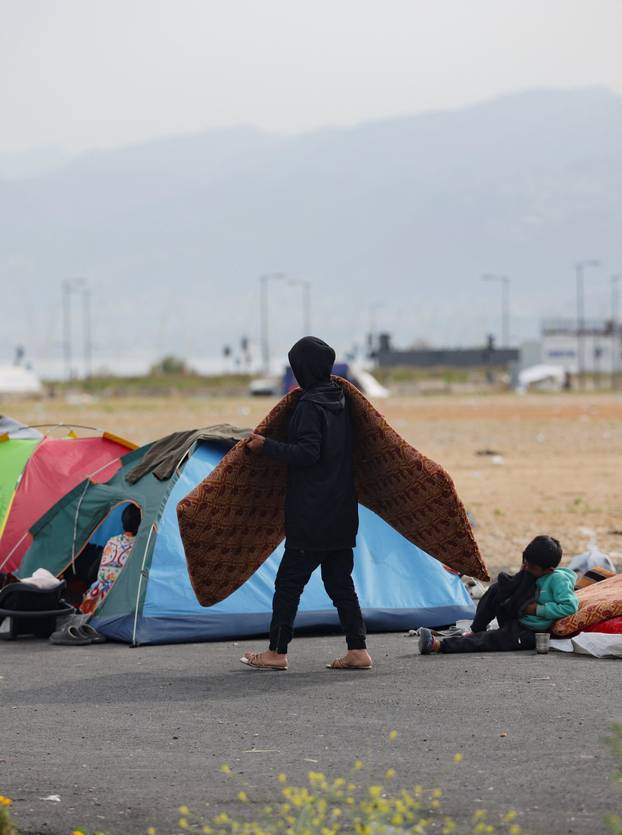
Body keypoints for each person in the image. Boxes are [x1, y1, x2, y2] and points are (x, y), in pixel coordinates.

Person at [240, 336, 372, 671]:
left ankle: (276, 652)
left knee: (288, 584)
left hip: (312, 513)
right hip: (342, 510)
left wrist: (265, 446)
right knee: (340, 583)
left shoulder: (310, 405)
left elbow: (307, 453)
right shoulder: (343, 399)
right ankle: (358, 650)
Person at [418, 535, 578, 654]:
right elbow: (513, 590)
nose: (526, 569)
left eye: (531, 567)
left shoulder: (558, 580)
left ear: (548, 569)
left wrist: (538, 610)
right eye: (525, 563)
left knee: (491, 639)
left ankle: (437, 646)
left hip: (529, 632)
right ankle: (476, 629)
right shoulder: (531, 571)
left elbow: (570, 606)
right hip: (516, 616)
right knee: (496, 589)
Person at [79, 503, 142, 615]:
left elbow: (91, 574)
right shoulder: (140, 547)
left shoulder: (112, 541)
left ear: (123, 521)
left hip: (94, 603)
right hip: (116, 607)